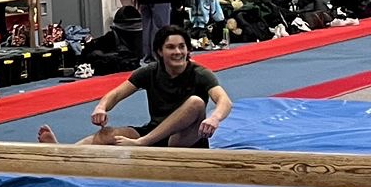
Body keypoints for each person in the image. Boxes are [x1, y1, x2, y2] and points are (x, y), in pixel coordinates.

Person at [38, 24, 230, 148]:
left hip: (183, 138)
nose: (178, 52)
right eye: (171, 47)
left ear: (188, 50)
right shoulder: (149, 72)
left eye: (182, 47)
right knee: (107, 134)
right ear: (159, 52)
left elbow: (224, 101)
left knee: (196, 102)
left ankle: (142, 143)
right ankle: (64, 152)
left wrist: (214, 118)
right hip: (155, 132)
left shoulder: (200, 73)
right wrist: (101, 108)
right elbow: (115, 94)